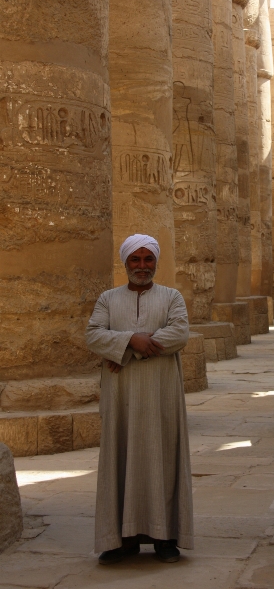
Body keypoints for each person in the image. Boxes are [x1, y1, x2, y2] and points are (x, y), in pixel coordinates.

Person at [85, 234, 193, 565]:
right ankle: (122, 540)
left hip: (161, 397)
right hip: (120, 400)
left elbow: (179, 334)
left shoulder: (172, 297)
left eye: (148, 259)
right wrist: (131, 339)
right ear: (126, 262)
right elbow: (93, 335)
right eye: (136, 259)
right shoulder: (107, 299)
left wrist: (125, 351)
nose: (142, 266)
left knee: (163, 458)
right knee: (121, 459)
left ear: (156, 262)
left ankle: (165, 538)